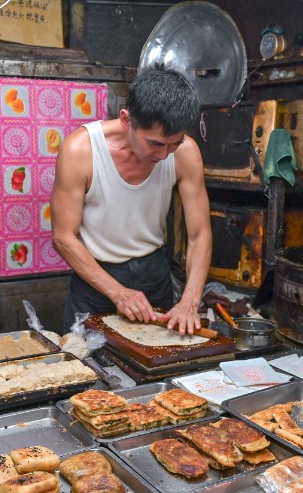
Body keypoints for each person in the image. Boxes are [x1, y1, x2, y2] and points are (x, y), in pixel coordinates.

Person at [51, 63, 212, 335]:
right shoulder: (81, 150)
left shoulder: (185, 152)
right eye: (155, 144)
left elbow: (199, 234)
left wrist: (189, 300)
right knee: (90, 365)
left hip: (154, 275)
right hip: (96, 280)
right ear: (127, 121)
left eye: (174, 143)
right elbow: (63, 237)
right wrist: (118, 292)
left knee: (157, 365)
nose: (164, 155)